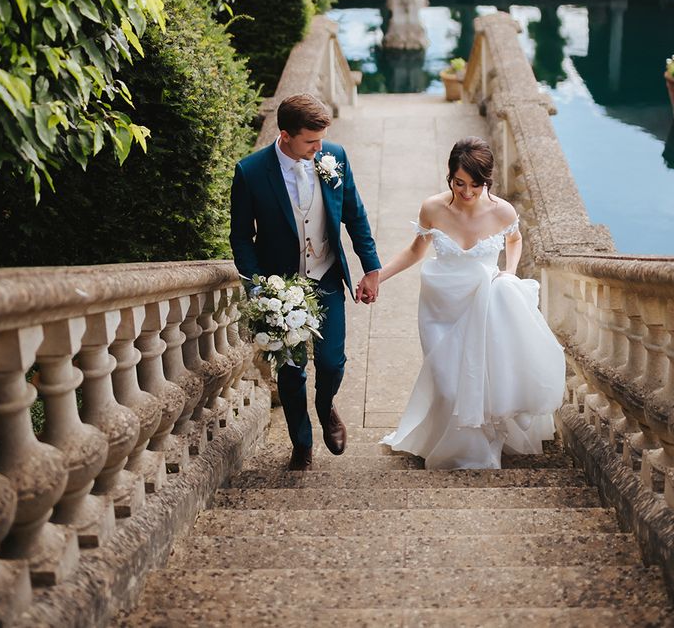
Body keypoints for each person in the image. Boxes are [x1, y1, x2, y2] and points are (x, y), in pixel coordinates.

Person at [378, 137, 565, 470]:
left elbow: (516, 239)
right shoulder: (432, 207)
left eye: (475, 185)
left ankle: (474, 451)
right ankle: (449, 445)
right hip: (440, 305)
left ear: (486, 181)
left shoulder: (503, 210)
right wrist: (378, 276)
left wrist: (508, 272)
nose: (466, 192)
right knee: (447, 382)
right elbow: (415, 251)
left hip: (484, 303)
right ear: (449, 174)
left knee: (478, 379)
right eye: (458, 183)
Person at [230, 93, 381, 471]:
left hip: (326, 275)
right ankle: (301, 442)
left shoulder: (334, 156)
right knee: (291, 372)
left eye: (320, 140)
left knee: (331, 362)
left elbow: (355, 215)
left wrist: (371, 267)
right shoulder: (250, 172)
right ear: (284, 135)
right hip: (281, 288)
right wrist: (258, 287)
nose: (319, 147)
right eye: (310, 142)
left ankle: (326, 405)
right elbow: (240, 237)